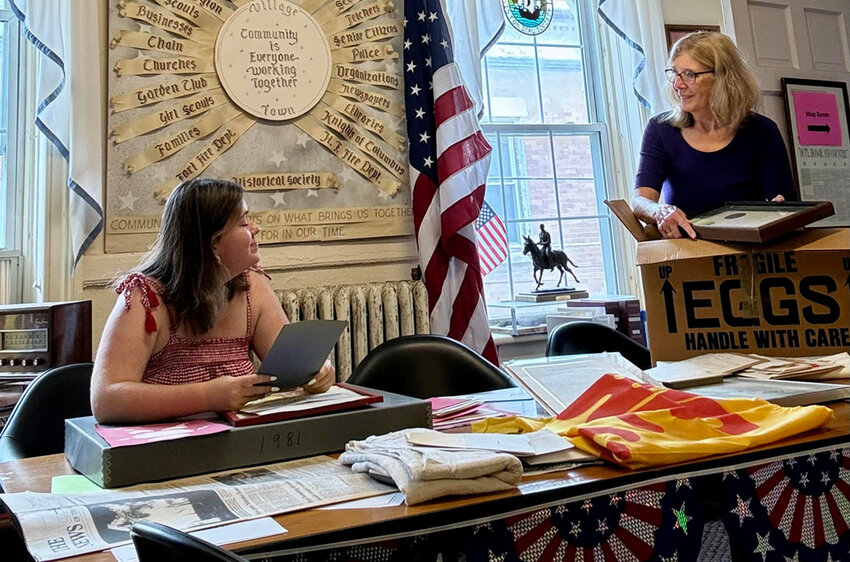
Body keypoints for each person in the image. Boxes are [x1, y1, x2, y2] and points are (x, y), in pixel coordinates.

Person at [91, 178, 334, 424]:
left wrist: (317, 371)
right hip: (166, 449)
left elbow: (290, 367)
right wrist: (208, 396)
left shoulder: (252, 286)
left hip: (238, 442)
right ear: (213, 243)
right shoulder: (144, 298)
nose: (255, 228)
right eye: (243, 222)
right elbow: (106, 401)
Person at [632, 31, 799, 239]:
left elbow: (785, 203)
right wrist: (659, 211)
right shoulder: (660, 130)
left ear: (723, 78)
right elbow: (640, 201)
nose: (678, 84)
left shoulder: (763, 131)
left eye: (690, 75)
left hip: (749, 253)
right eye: (674, 73)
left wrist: (780, 211)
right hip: (689, 254)